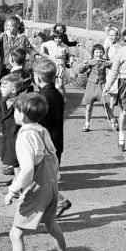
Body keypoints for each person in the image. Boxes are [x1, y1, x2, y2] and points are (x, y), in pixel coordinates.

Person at [0, 92, 74, 251]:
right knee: (51, 223)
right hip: (51, 185)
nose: (15, 114)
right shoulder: (42, 130)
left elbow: (27, 169)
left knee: (16, 233)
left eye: (16, 111)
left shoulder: (25, 136)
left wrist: (13, 190)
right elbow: (53, 157)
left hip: (37, 189)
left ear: (23, 115)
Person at [33, 58, 72, 217]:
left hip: (47, 143)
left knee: (43, 179)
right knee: (46, 178)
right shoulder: (56, 93)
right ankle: (51, 206)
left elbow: (39, 120)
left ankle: (59, 202)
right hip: (56, 141)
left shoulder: (43, 96)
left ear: (38, 77)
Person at [0, 16, 35, 82]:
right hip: (6, 67)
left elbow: (31, 50)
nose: (8, 28)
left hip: (18, 67)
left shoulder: (23, 38)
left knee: (18, 84)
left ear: (17, 27)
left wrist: (37, 55)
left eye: (11, 26)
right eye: (7, 26)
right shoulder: (3, 37)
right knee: (4, 83)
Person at [77, 43, 113, 132]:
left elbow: (113, 68)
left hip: (102, 85)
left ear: (103, 53)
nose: (99, 54)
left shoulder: (104, 62)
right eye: (96, 52)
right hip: (91, 85)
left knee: (106, 105)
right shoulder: (90, 61)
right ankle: (87, 124)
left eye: (101, 52)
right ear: (93, 53)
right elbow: (80, 71)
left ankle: (113, 122)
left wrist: (111, 62)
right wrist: (84, 64)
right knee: (89, 106)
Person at [0, 72, 27, 179]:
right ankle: (17, 179)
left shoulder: (20, 103)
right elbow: (2, 117)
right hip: (8, 136)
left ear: (13, 90)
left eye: (4, 87)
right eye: (1, 85)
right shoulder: (3, 101)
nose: (1, 88)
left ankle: (20, 185)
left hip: (17, 136)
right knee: (14, 162)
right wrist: (1, 129)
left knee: (17, 161)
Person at [39, 24, 75, 95]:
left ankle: (63, 98)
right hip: (52, 66)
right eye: (56, 38)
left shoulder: (64, 46)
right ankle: (53, 97)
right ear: (54, 38)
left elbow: (70, 55)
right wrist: (44, 54)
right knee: (51, 84)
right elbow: (42, 45)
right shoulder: (50, 43)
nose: (57, 40)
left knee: (60, 85)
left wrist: (71, 61)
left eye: (59, 38)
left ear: (62, 39)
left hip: (61, 67)